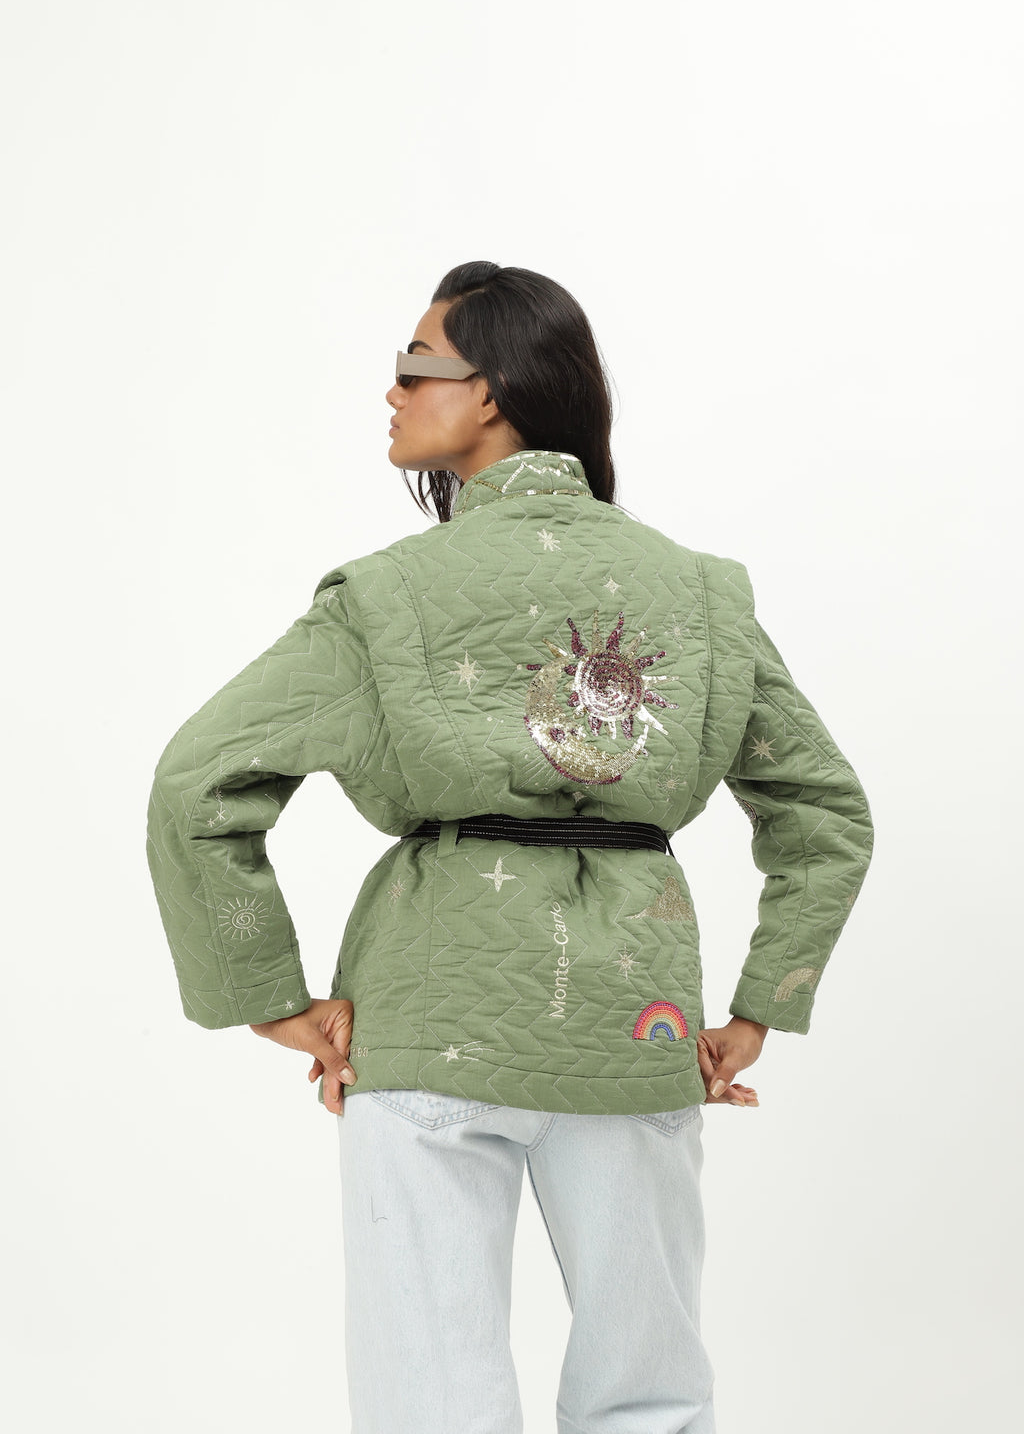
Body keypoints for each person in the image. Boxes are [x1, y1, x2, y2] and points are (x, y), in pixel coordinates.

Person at [146, 260, 874, 1433]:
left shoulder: (384, 598)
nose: (391, 391)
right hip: (633, 1019)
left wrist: (269, 998)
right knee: (649, 1392)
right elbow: (825, 812)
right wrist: (756, 1010)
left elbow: (197, 785)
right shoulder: (701, 596)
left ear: (489, 391)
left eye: (412, 367)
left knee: (429, 1397)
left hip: (426, 1015)